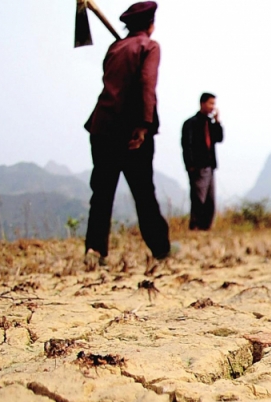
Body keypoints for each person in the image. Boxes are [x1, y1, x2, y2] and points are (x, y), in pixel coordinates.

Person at [83, 1, 171, 266]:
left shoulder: (116, 47)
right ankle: (161, 250)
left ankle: (95, 251)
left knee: (102, 192)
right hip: (131, 132)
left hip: (102, 128)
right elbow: (146, 84)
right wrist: (144, 125)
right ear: (150, 25)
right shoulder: (150, 46)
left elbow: (113, 84)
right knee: (144, 192)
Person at [181, 93, 224, 231]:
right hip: (198, 166)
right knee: (199, 197)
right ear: (202, 103)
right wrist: (190, 165)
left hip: (210, 165)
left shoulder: (209, 124)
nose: (213, 107)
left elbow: (219, 138)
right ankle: (195, 225)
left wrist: (217, 122)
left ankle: (206, 226)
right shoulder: (191, 123)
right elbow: (187, 145)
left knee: (210, 199)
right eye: (211, 103)